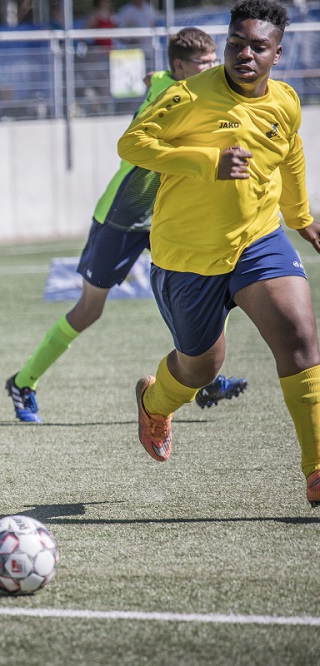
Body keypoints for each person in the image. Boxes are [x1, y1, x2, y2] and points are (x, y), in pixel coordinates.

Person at [117, 0, 320, 508]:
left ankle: (317, 472)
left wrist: (301, 218)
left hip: (258, 239)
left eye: (258, 46)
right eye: (236, 43)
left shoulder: (285, 102)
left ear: (277, 53)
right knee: (201, 370)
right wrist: (208, 160)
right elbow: (132, 144)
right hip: (186, 256)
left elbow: (290, 153)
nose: (244, 53)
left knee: (299, 337)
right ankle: (155, 400)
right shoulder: (187, 97)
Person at [6, 28, 248, 423]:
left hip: (164, 217)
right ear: (179, 66)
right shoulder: (169, 94)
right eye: (202, 64)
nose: (212, 69)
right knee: (88, 311)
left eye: (212, 61)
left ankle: (203, 378)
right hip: (121, 216)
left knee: (203, 284)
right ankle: (23, 381)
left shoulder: (188, 87)